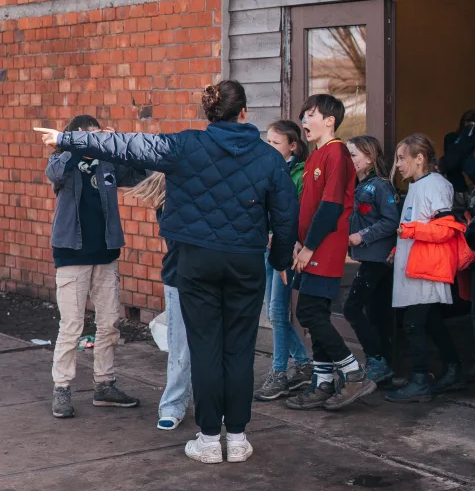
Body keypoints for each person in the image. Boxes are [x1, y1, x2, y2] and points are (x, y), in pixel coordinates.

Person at [38, 80, 296, 465]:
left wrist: (65, 137)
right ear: (244, 113)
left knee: (205, 348)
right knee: (239, 351)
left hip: (195, 263)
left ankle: (210, 440)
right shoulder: (269, 158)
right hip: (244, 262)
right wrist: (278, 260)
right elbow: (286, 218)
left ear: (209, 114)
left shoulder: (184, 145)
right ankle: (238, 438)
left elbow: (124, 144)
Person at [45, 114, 145, 418]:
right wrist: (75, 146)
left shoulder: (107, 162)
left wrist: (117, 145)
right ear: (75, 138)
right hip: (71, 253)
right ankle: (61, 388)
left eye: (96, 136)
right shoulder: (63, 161)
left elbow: (139, 174)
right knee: (72, 325)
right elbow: (56, 175)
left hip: (105, 252)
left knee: (109, 322)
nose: (94, 142)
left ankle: (104, 384)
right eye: (88, 137)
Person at [285, 94, 377, 412]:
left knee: (308, 313)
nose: (304, 121)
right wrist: (298, 241)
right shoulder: (316, 156)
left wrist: (309, 247)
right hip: (310, 247)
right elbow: (307, 206)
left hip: (324, 248)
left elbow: (331, 206)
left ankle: (353, 373)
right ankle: (323, 382)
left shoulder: (336, 152)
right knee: (315, 315)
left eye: (310, 114)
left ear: (329, 121)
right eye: (303, 115)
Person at [386, 134, 475, 402]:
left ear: (420, 158)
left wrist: (409, 231)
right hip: (416, 267)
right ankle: (453, 370)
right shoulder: (417, 185)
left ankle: (421, 381)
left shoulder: (435, 185)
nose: (398, 165)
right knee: (432, 322)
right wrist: (397, 249)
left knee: (414, 325)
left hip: (427, 269)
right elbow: (418, 225)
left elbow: (447, 228)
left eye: (402, 158)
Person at [254, 119, 312, 401]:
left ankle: (279, 374)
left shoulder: (299, 174)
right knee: (273, 311)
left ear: (293, 146)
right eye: (268, 142)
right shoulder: (265, 169)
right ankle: (303, 365)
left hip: (286, 249)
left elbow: (293, 215)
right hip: (265, 248)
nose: (270, 147)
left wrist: (281, 237)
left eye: (276, 143)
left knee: (278, 311)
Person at [128, 171, 191, 431]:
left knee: (210, 345)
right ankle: (173, 404)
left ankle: (212, 403)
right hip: (180, 277)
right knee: (180, 346)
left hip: (209, 278)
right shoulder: (172, 202)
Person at [343, 135, 400, 386]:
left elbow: (391, 222)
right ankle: (383, 369)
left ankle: (375, 360)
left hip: (378, 259)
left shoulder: (380, 186)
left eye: (353, 154)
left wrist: (361, 236)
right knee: (376, 313)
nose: (350, 159)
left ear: (370, 157)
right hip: (368, 258)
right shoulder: (356, 185)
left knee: (351, 308)